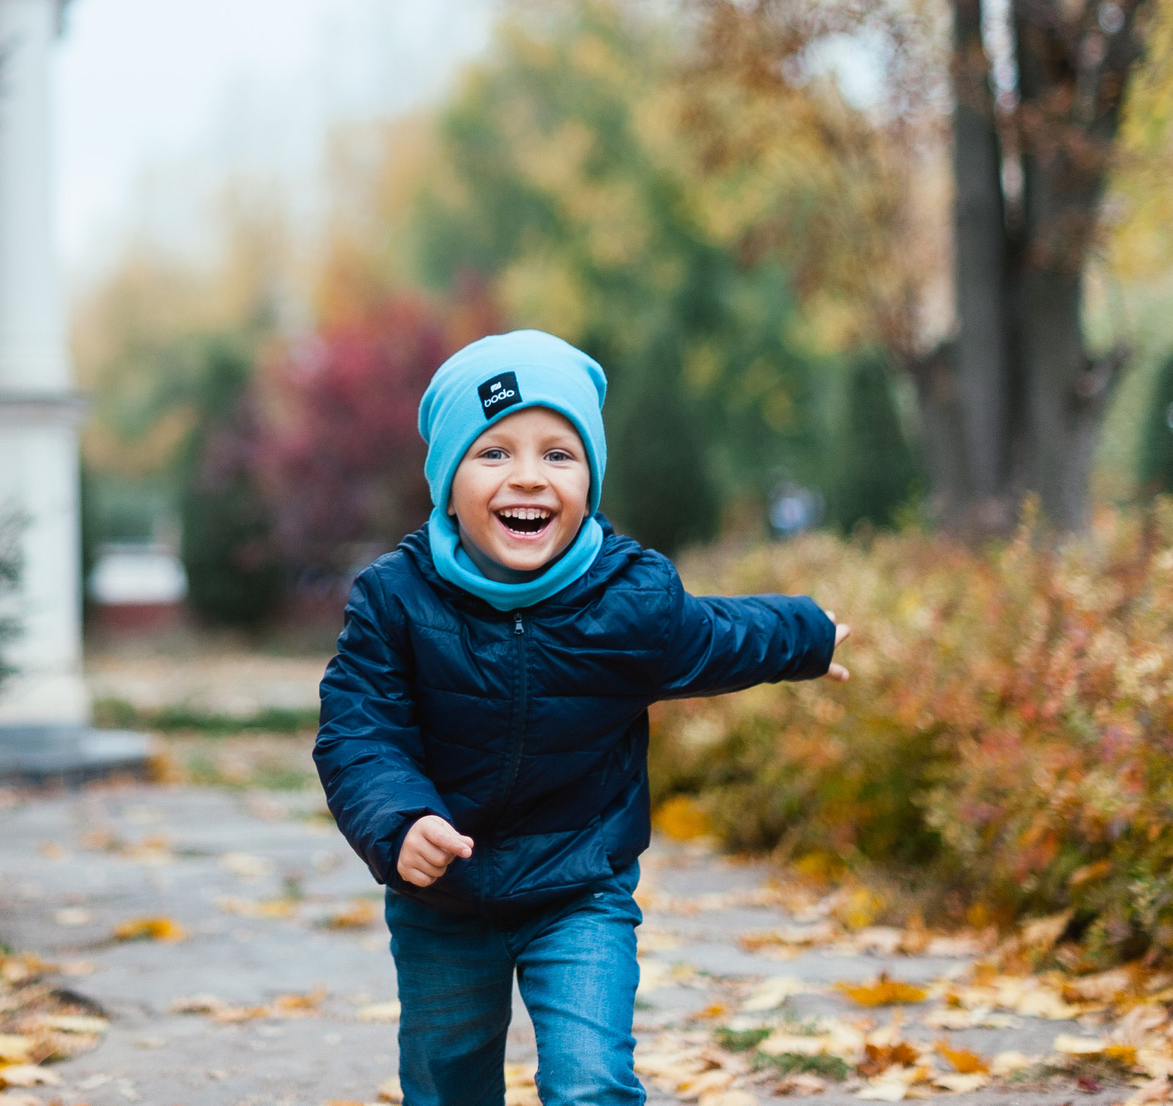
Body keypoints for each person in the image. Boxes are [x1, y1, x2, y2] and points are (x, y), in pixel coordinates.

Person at [315, 329, 849, 1106]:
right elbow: (359, 732)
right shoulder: (395, 601)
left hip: (579, 889)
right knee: (447, 1081)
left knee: (591, 1081)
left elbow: (717, 635)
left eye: (557, 455)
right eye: (493, 453)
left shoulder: (628, 598)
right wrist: (398, 824)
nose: (528, 477)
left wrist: (807, 635)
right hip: (444, 897)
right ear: (446, 480)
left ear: (590, 478)